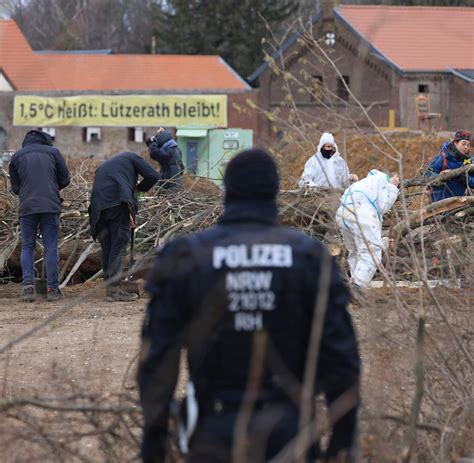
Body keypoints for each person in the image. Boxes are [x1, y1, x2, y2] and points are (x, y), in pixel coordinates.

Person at [138, 149, 361, 463]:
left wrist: (154, 442)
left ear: (228, 192)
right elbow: (342, 359)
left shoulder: (188, 257)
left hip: (212, 432)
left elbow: (158, 360)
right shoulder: (308, 257)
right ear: (274, 193)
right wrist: (343, 441)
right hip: (290, 431)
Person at [89, 152, 160, 302]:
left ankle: (111, 288)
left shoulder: (106, 165)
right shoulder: (133, 157)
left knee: (107, 248)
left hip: (97, 208)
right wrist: (138, 189)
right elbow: (153, 176)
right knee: (118, 248)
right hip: (118, 204)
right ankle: (114, 291)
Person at [9, 129, 70, 302]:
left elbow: (15, 188)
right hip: (50, 205)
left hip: (27, 207)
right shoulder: (53, 152)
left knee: (28, 246)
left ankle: (28, 288)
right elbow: (65, 179)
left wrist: (28, 192)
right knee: (50, 246)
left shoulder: (17, 157)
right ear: (46, 141)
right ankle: (52, 289)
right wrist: (51, 188)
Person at [336, 169, 400, 291]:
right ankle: (357, 287)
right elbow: (383, 206)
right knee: (371, 254)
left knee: (355, 251)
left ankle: (354, 283)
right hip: (362, 213)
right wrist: (392, 187)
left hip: (342, 214)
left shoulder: (362, 183)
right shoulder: (381, 180)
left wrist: (384, 242)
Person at [425, 130, 473, 202]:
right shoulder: (443, 158)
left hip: (461, 204)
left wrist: (465, 178)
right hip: (441, 205)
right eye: (463, 144)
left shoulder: (470, 161)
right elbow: (427, 174)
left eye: (468, 145)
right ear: (455, 143)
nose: (466, 147)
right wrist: (440, 177)